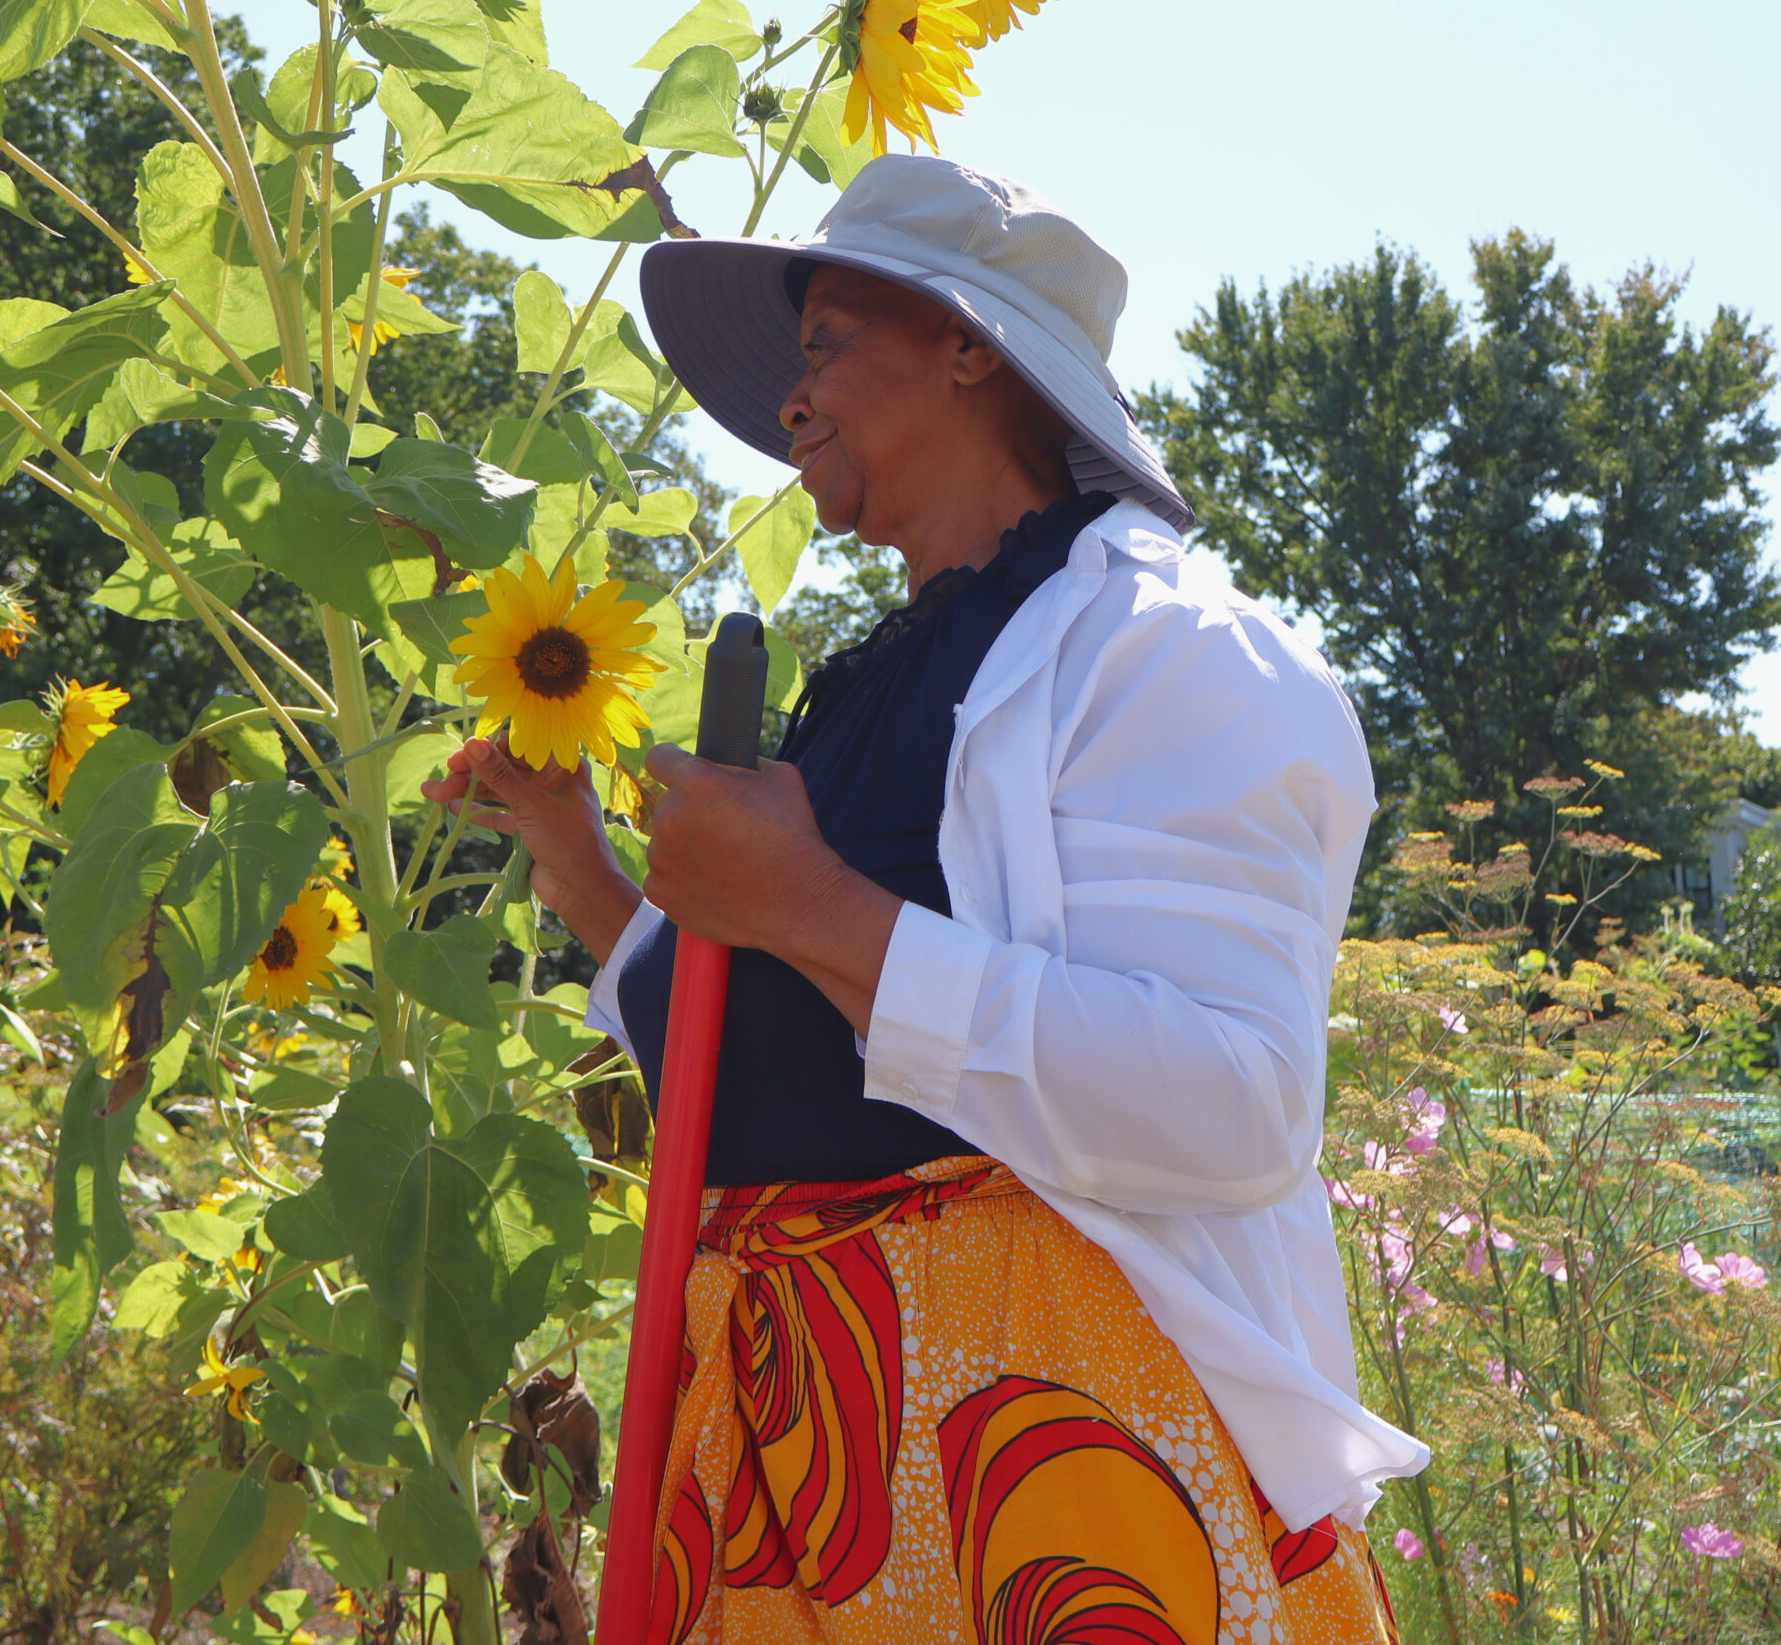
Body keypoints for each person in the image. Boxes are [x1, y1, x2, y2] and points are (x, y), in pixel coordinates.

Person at [424, 157, 1427, 1643]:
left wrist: (810, 900)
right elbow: (783, 1061)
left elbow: (1236, 1104)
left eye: (824, 343)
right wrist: (581, 857)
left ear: (972, 346)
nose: (789, 401)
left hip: (1026, 1453)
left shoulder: (1172, 651)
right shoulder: (877, 677)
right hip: (781, 1444)